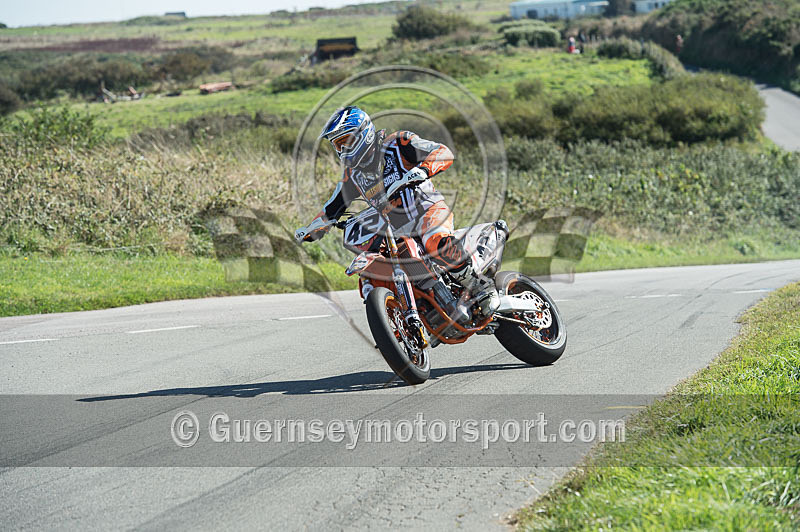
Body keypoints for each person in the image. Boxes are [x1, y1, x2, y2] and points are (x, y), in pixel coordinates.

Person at [294, 106, 498, 315]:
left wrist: (422, 169)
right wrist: (310, 228)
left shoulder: (397, 144)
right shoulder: (353, 176)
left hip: (427, 210)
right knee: (378, 262)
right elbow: (331, 209)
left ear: (362, 134)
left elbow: (443, 152)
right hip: (396, 230)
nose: (342, 149)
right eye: (338, 144)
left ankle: (481, 285)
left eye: (346, 141)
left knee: (434, 240)